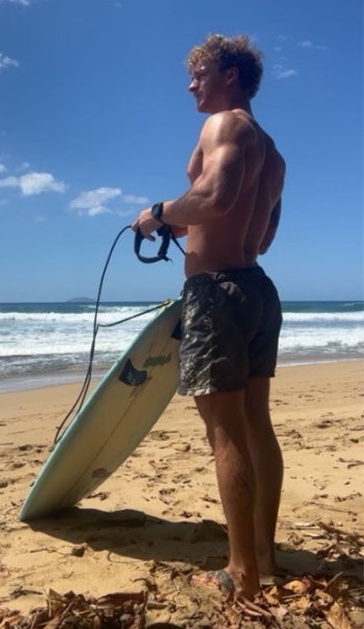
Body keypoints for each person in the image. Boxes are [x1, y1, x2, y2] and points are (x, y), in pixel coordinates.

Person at [132, 34, 285, 600]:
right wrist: (184, 224)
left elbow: (216, 197)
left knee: (224, 432)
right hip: (257, 291)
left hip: (217, 293)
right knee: (256, 424)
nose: (191, 85)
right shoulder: (273, 152)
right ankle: (265, 556)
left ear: (229, 74)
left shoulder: (223, 126)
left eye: (199, 74)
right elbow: (262, 235)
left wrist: (156, 214)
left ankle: (240, 573)